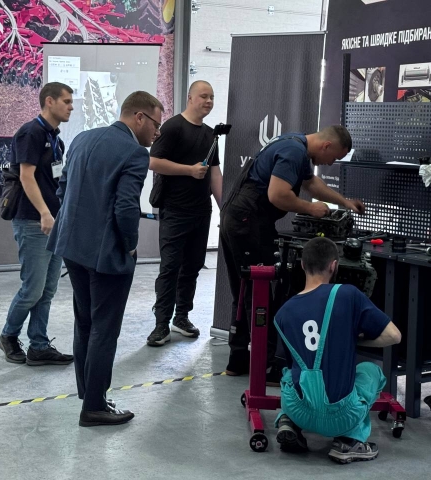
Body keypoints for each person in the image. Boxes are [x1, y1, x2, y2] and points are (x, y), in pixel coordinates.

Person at [47, 91, 163, 427]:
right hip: (107, 254)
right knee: (104, 328)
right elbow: (126, 208)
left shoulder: (82, 139)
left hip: (72, 246)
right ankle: (95, 406)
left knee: (85, 321)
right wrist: (130, 245)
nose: (156, 133)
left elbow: (62, 189)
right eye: (156, 125)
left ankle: (89, 393)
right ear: (139, 117)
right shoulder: (135, 153)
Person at [220, 125, 365, 381]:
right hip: (248, 223)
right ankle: (265, 366)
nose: (330, 163)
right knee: (258, 292)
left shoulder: (294, 143)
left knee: (244, 291)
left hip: (240, 218)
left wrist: (343, 202)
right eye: (334, 157)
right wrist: (310, 209)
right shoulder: (294, 151)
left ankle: (239, 359)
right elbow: (277, 195)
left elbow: (311, 183)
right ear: (326, 145)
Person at [273, 237, 401, 463]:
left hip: (299, 411)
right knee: (371, 371)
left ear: (302, 264)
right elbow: (394, 336)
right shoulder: (347, 294)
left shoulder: (282, 313)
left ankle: (288, 421)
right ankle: (349, 441)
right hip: (341, 417)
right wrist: (351, 341)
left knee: (289, 375)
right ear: (334, 266)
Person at [0, 82, 75, 367]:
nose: (71, 107)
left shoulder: (55, 138)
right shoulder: (31, 133)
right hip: (33, 221)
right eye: (66, 101)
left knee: (47, 289)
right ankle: (8, 335)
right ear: (49, 101)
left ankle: (39, 345)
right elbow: (26, 177)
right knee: (33, 288)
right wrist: (44, 213)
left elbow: (53, 180)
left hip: (54, 222)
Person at [146, 80, 222, 346]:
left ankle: (182, 317)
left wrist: (225, 209)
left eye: (212, 97)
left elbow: (215, 174)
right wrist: (189, 170)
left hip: (201, 211)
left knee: (192, 267)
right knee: (170, 268)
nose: (208, 101)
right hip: (175, 210)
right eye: (203, 96)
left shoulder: (211, 135)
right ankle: (161, 324)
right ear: (190, 98)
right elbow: (153, 161)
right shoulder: (173, 127)